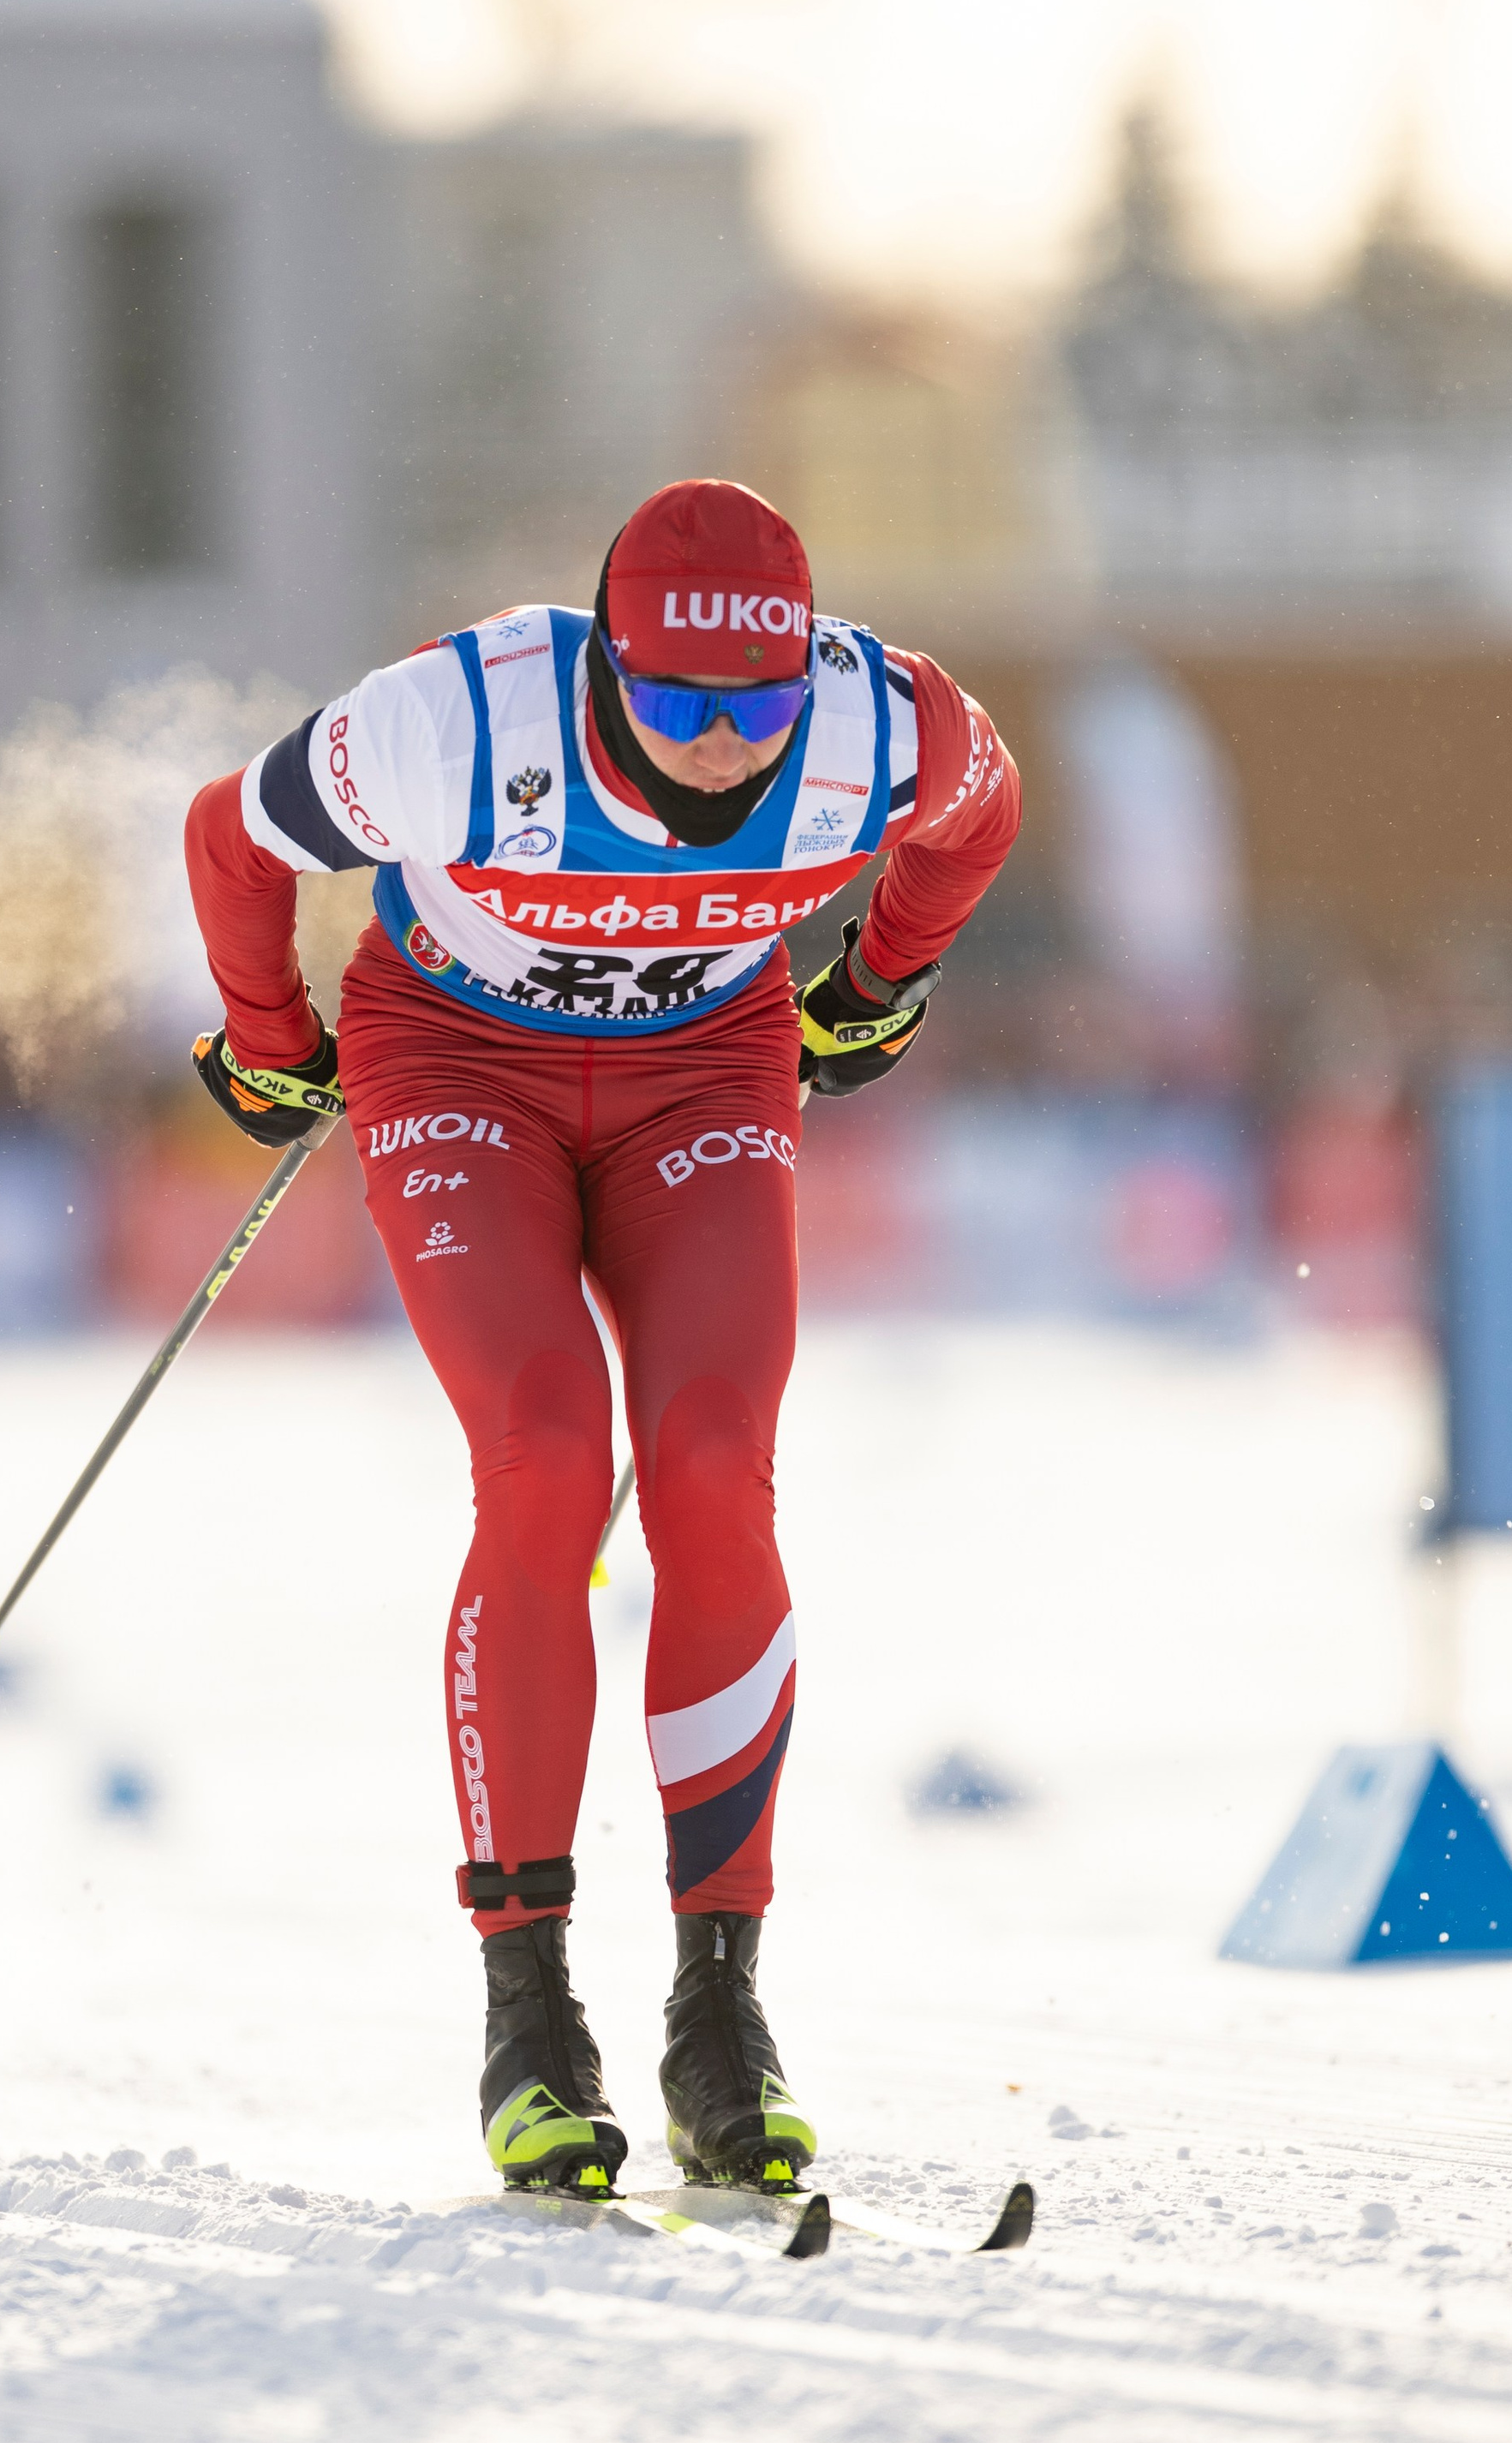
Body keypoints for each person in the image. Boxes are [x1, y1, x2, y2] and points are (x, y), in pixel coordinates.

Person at [184, 480, 1019, 2195]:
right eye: (674, 701)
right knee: (549, 1455)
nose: (721, 744)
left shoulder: (884, 723)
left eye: (757, 709)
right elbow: (229, 835)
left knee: (712, 1465)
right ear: (602, 668)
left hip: (700, 1073)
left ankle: (720, 2008)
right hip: (455, 1061)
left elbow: (981, 820)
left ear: (803, 673)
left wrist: (877, 985)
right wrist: (270, 1037)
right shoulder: (454, 722)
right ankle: (530, 2013)